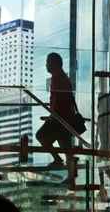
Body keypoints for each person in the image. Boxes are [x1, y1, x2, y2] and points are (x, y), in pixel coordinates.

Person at [35, 52, 76, 185]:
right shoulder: (61, 76)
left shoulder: (57, 77)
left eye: (48, 62)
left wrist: (52, 115)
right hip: (65, 117)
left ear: (54, 63)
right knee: (66, 147)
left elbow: (58, 97)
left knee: (41, 136)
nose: (46, 64)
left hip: (60, 118)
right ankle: (70, 177)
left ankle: (58, 160)